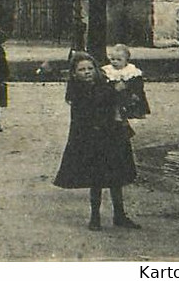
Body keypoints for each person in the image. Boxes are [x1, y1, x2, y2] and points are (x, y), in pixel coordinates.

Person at [54, 51, 140, 230]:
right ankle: (95, 216)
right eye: (82, 69)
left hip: (111, 136)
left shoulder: (104, 84)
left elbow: (116, 100)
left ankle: (119, 214)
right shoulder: (76, 90)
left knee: (116, 177)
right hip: (92, 139)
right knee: (96, 179)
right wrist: (113, 93)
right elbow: (91, 105)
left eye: (90, 68)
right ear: (74, 73)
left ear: (96, 69)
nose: (86, 72)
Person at [102, 43, 150, 122]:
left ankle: (135, 111)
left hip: (128, 91)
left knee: (134, 96)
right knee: (114, 99)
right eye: (112, 59)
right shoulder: (108, 70)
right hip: (114, 91)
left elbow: (138, 83)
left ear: (126, 60)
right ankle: (116, 112)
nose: (115, 62)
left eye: (119, 60)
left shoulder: (131, 70)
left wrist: (130, 88)